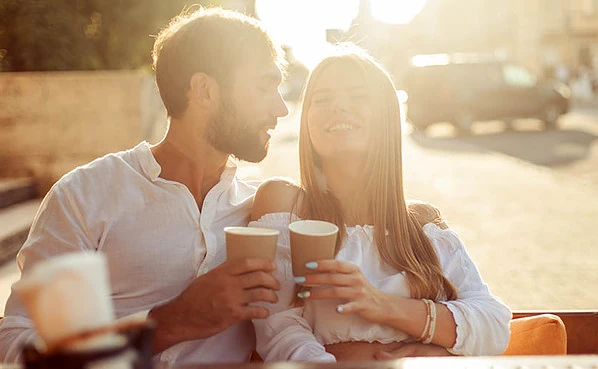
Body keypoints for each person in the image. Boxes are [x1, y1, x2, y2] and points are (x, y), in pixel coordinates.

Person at [0, 7, 289, 365]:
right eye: (265, 86)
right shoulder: (86, 195)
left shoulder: (263, 211)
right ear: (205, 91)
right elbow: (16, 342)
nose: (281, 109)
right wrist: (164, 325)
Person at [249, 45, 512, 362]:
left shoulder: (421, 222)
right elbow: (277, 327)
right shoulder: (285, 204)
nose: (339, 107)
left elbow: (494, 326)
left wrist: (383, 305)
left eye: (358, 96)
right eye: (322, 99)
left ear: (388, 116)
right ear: (307, 121)